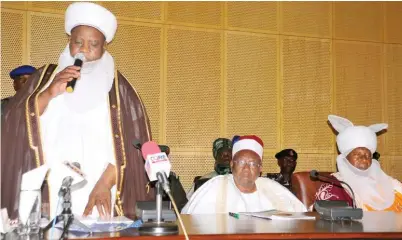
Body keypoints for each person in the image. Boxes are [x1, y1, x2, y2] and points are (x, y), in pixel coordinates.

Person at [1, 2, 155, 220]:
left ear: (104, 48)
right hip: (51, 192)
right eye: (78, 42)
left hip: (101, 190)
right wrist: (49, 93)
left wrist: (105, 182)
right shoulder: (44, 78)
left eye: (93, 44)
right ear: (69, 43)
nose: (84, 49)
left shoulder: (120, 88)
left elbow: (135, 143)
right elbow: (13, 121)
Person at [182, 135, 307, 214]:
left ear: (260, 168)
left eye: (252, 163)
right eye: (241, 161)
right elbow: (189, 224)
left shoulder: (273, 188)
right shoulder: (214, 187)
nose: (246, 167)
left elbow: (301, 217)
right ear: (232, 164)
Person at [315, 115, 402, 212]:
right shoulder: (336, 186)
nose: (364, 158)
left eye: (368, 155)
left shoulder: (392, 183)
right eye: (357, 154)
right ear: (345, 158)